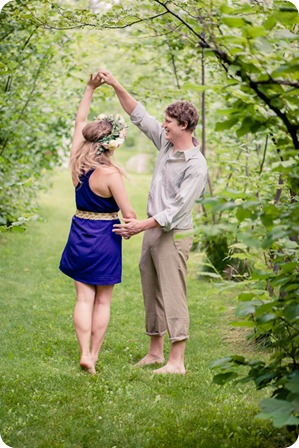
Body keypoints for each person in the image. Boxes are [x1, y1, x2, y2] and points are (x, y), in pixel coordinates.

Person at [98, 68, 208, 375]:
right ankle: (155, 353)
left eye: (169, 123)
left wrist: (138, 226)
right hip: (152, 231)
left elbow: (174, 210)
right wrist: (116, 82)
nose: (163, 126)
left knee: (173, 293)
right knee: (151, 289)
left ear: (184, 126)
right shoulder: (166, 143)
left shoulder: (196, 166)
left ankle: (177, 361)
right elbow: (138, 114)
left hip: (173, 235)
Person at [59, 72, 136, 374]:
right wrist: (131, 226)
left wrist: (90, 89)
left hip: (79, 231)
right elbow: (128, 214)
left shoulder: (77, 161)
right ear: (112, 145)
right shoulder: (110, 175)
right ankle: (93, 355)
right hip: (105, 236)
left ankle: (83, 351)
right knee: (102, 301)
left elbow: (80, 123)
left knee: (83, 297)